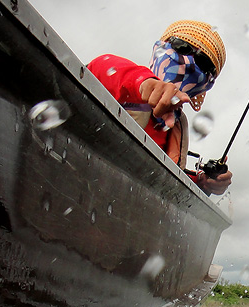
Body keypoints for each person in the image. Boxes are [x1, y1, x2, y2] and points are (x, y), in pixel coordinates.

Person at [88, 20, 232, 196]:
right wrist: (145, 84)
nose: (189, 61)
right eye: (182, 46)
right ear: (160, 48)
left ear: (207, 85)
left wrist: (202, 183)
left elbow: (159, 178)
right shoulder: (119, 76)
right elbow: (99, 69)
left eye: (204, 62)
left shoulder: (176, 126)